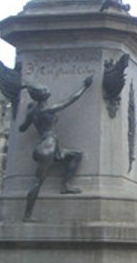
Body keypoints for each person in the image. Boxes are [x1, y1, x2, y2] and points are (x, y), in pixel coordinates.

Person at [20, 76, 93, 220]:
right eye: (45, 90)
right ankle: (27, 215)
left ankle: (65, 185)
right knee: (38, 181)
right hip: (49, 146)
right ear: (43, 96)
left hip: (43, 145)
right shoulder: (48, 109)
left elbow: (22, 128)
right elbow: (71, 100)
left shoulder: (32, 111)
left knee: (76, 155)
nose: (47, 90)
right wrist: (85, 87)